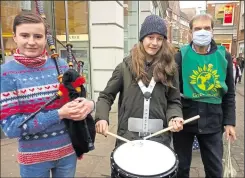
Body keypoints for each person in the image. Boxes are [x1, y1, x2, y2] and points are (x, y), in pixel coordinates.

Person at [0, 12, 95, 178]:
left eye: (38, 36)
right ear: (14, 37)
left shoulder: (61, 65)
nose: (31, 42)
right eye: (24, 35)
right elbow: (11, 128)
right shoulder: (6, 74)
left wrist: (88, 104)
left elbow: (75, 98)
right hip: (33, 160)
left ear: (46, 38)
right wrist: (59, 114)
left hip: (67, 153)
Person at [94, 14, 184, 177]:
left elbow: (174, 100)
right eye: (150, 37)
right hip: (129, 139)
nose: (155, 43)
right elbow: (106, 96)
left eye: (159, 38)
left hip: (159, 139)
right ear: (142, 38)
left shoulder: (170, 69)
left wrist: (175, 116)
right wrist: (102, 117)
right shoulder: (124, 67)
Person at [173, 14, 236, 178]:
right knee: (180, 168)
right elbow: (172, 92)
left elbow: (229, 93)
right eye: (198, 29)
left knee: (215, 170)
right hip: (185, 121)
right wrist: (174, 116)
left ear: (212, 31)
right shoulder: (180, 56)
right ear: (190, 33)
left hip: (213, 121)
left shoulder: (225, 56)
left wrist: (229, 122)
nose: (202, 32)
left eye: (207, 28)